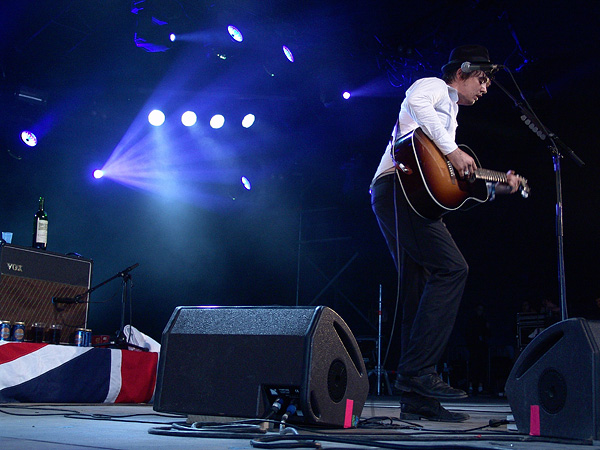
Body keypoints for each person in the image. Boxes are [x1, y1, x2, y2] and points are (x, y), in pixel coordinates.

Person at [370, 45, 521, 422]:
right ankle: (419, 372)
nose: (485, 88)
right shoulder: (435, 87)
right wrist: (452, 151)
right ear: (463, 71)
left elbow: (452, 187)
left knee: (417, 286)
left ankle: (415, 399)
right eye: (483, 79)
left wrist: (497, 186)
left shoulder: (451, 119)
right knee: (453, 269)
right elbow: (415, 103)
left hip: (405, 196)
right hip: (399, 189)